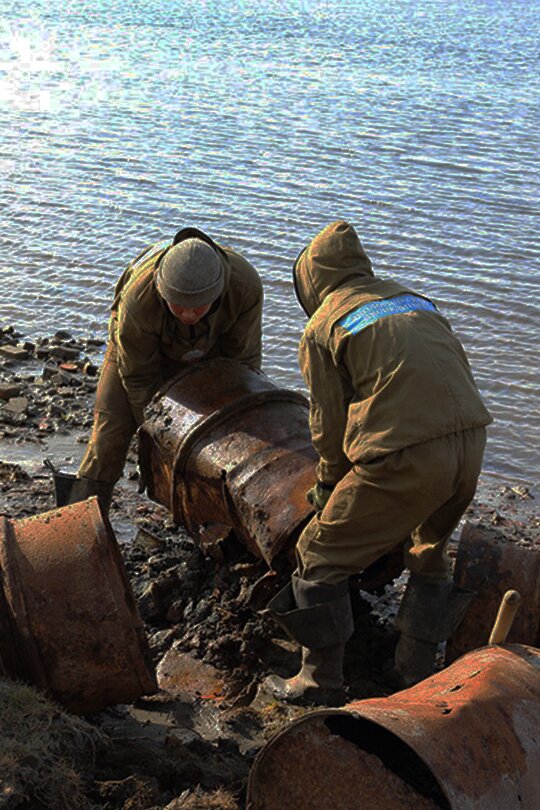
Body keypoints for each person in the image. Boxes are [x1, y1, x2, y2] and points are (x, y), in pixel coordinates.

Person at [265, 220, 492, 705]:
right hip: (471, 443)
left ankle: (317, 681)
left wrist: (328, 493)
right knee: (428, 552)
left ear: (310, 280)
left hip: (407, 454)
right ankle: (413, 670)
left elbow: (328, 429)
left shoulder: (325, 323)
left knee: (319, 555)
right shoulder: (413, 300)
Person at [53, 226, 263, 512]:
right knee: (109, 439)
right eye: (178, 306)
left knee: (228, 435)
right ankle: (78, 521)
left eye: (198, 307)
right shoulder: (138, 301)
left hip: (211, 351)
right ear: (163, 292)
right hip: (137, 355)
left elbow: (243, 364)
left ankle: (213, 515)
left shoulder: (244, 286)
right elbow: (139, 378)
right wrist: (158, 437)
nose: (188, 315)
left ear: (218, 293)